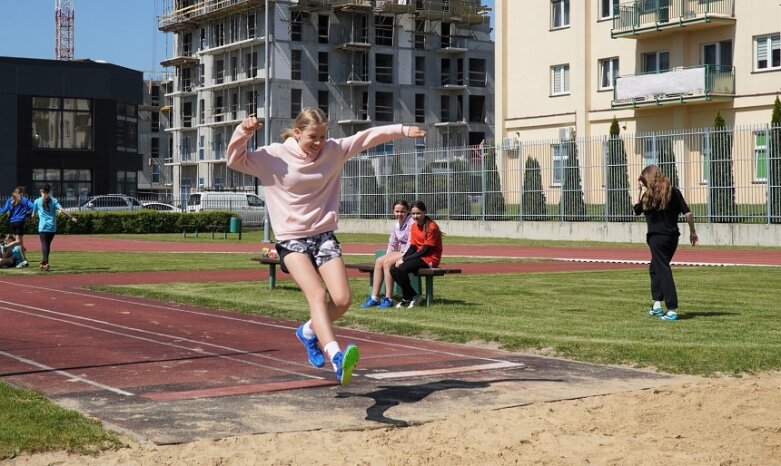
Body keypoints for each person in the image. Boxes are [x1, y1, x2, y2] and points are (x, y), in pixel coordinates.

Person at [226, 108, 426, 384]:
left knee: (342, 300)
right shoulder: (274, 156)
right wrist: (243, 132)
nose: (319, 143)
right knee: (317, 295)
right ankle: (336, 356)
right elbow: (235, 160)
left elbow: (366, 137)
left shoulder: (334, 151)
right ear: (297, 133)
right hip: (291, 238)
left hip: (324, 236)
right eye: (312, 137)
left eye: (323, 136)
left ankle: (308, 331)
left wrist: (402, 131)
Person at [634, 165, 697, 321]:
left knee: (663, 269)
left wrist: (638, 192)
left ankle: (672, 308)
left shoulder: (648, 196)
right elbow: (688, 213)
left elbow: (636, 210)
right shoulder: (673, 192)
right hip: (672, 238)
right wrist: (692, 232)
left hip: (656, 239)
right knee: (654, 268)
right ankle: (657, 305)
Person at [390, 200, 443, 309]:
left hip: (430, 259)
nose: (415, 216)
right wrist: (403, 258)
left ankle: (409, 297)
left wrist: (405, 260)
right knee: (393, 269)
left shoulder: (431, 227)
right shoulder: (414, 226)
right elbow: (413, 247)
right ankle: (411, 296)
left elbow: (425, 250)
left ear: (424, 212)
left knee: (402, 268)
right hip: (419, 256)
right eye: (413, 214)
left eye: (418, 213)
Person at [361, 200, 413, 309]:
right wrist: (388, 255)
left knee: (388, 262)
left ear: (408, 211)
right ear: (393, 211)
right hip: (400, 251)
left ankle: (389, 299)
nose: (399, 214)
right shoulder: (396, 225)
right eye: (397, 211)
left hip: (410, 251)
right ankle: (374, 297)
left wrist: (396, 257)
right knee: (380, 260)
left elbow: (410, 242)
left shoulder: (411, 223)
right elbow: (392, 242)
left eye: (403, 211)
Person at [31, 184, 78, 271]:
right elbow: (62, 210)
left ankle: (45, 261)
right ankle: (45, 262)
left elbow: (33, 215)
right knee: (47, 245)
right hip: (52, 227)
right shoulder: (53, 200)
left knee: (44, 244)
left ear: (41, 191)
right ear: (49, 191)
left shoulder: (37, 201)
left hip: (43, 226)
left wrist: (34, 221)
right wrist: (71, 217)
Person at [0, 186, 35, 267]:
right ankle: (5, 246)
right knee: (17, 242)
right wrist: (28, 213)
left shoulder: (9, 200)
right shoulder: (24, 200)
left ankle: (23, 259)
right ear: (22, 193)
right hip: (19, 222)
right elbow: (33, 207)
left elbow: (3, 211)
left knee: (18, 242)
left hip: (11, 222)